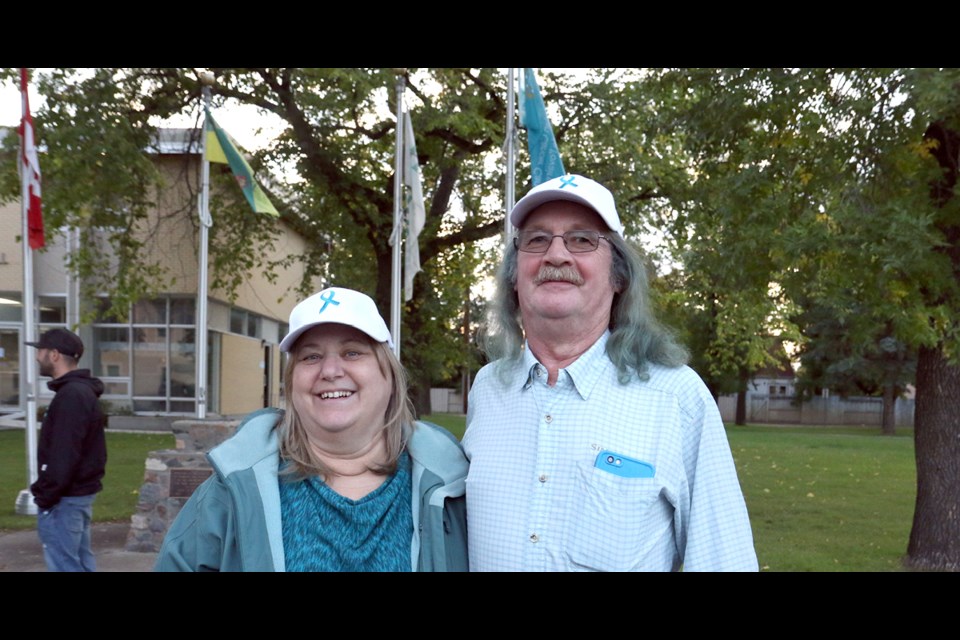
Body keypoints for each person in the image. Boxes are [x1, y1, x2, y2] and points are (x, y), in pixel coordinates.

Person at [463, 174, 758, 572]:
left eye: (582, 239)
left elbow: (723, 559)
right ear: (515, 275)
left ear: (619, 275)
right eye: (536, 240)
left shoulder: (675, 396)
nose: (556, 255)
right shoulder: (488, 389)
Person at [155, 286, 468, 572]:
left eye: (352, 352)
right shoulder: (232, 490)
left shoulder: (453, 488)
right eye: (311, 356)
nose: (330, 371)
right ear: (292, 383)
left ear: (389, 374)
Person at [26, 328, 107, 572]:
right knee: (79, 562)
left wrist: (46, 497)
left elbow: (64, 454)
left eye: (40, 350)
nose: (36, 356)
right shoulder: (76, 392)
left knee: (65, 565)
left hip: (65, 499)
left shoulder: (72, 395)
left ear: (54, 355)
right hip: (73, 496)